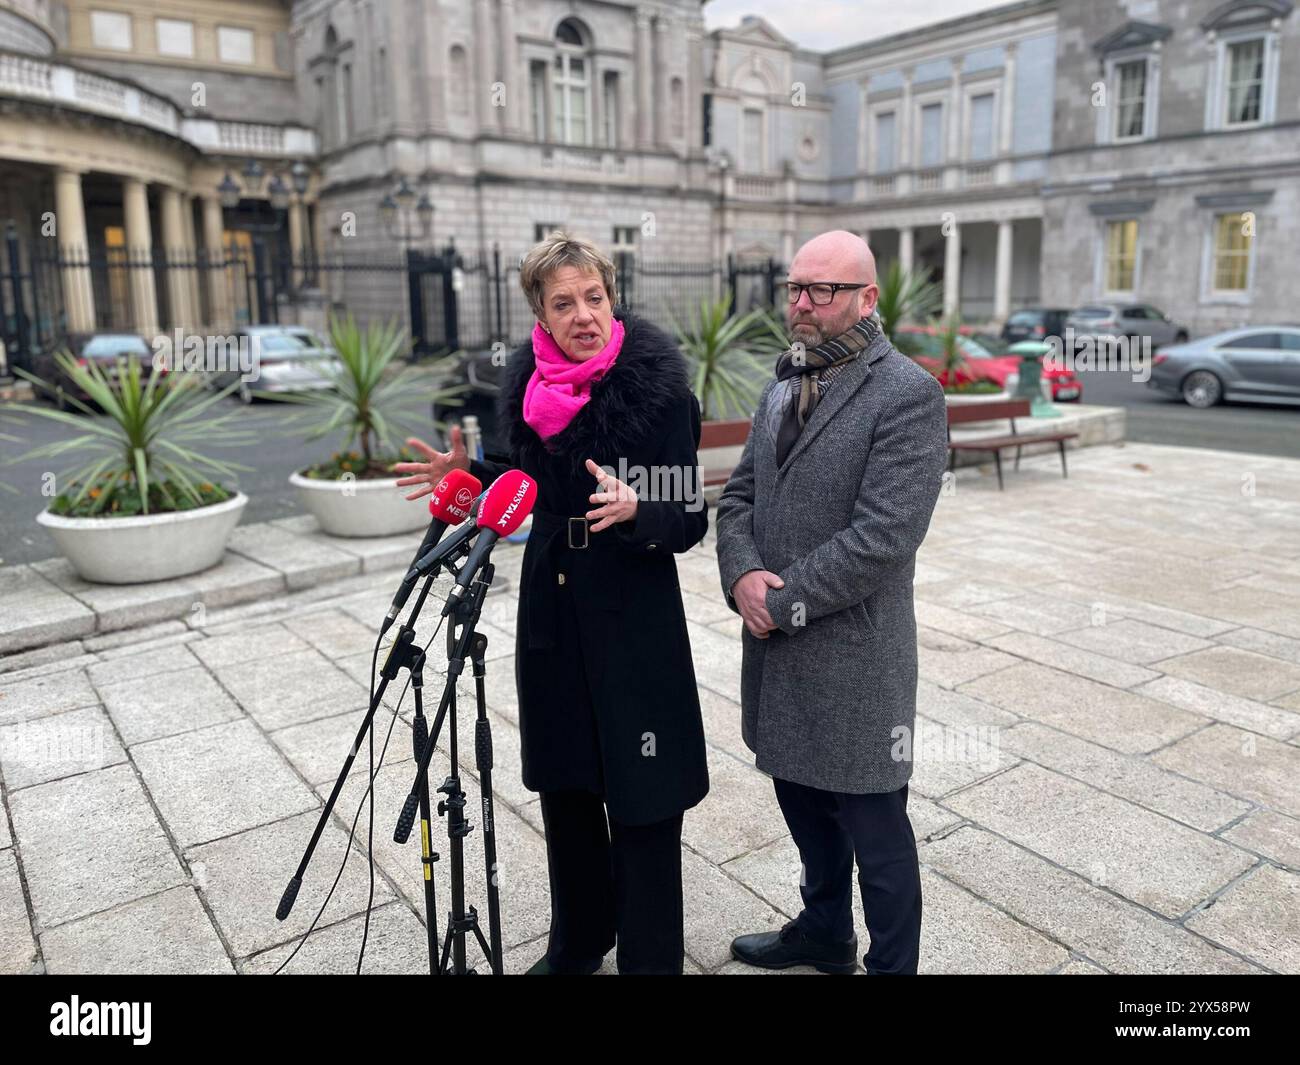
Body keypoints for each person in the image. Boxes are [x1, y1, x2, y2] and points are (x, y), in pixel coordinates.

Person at [395, 231, 709, 974]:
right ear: (539, 311)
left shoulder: (661, 395)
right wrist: (471, 471)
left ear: (612, 296)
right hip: (554, 616)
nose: (583, 315)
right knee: (567, 783)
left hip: (632, 622)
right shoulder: (531, 390)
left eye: (594, 297)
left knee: (642, 794)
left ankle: (650, 957)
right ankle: (579, 939)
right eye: (563, 302)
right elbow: (527, 475)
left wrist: (642, 510)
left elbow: (691, 516)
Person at [715, 229, 948, 975]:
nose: (804, 304)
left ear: (867, 298)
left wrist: (777, 602)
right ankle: (824, 932)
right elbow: (740, 498)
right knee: (803, 807)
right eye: (795, 288)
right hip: (778, 654)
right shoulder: (781, 381)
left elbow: (884, 537)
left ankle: (892, 966)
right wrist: (742, 573)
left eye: (823, 290)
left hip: (854, 658)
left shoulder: (908, 393)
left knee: (876, 832)